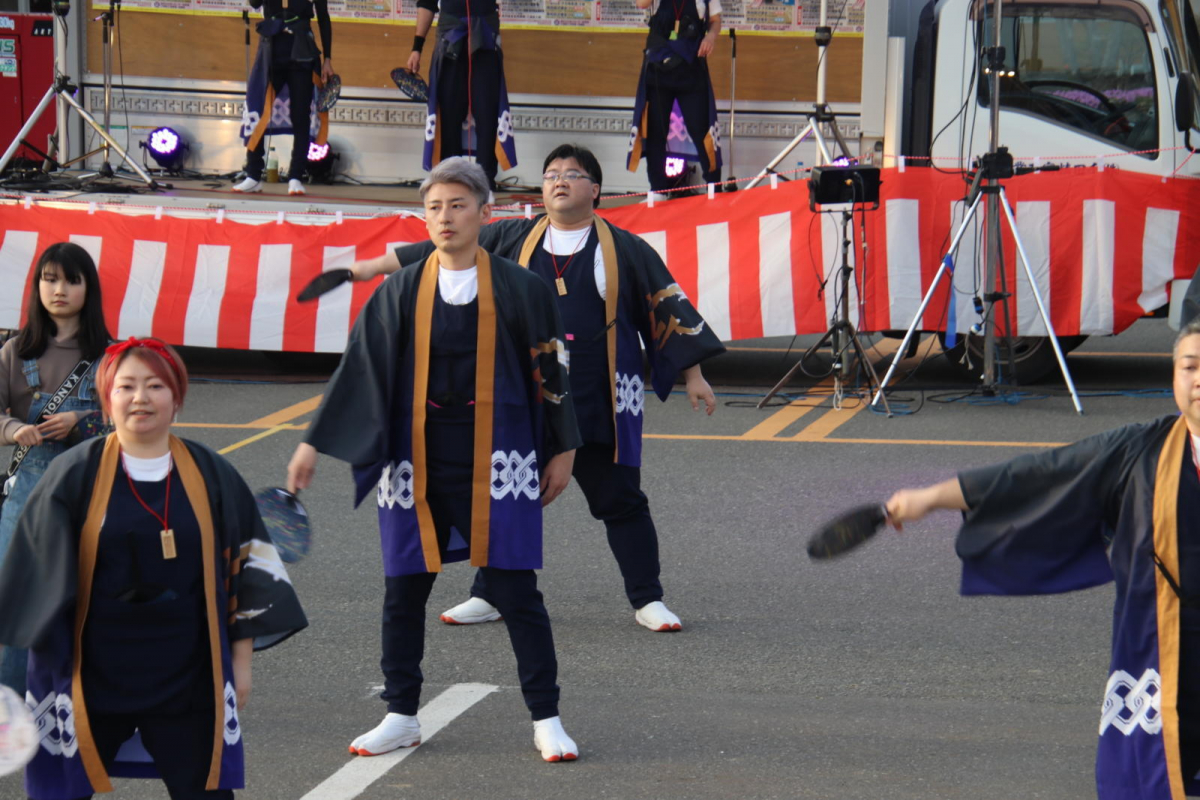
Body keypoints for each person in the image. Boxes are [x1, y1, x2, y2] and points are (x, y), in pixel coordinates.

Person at [349, 143, 726, 632]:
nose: (560, 180)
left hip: (600, 397)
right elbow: (435, 250)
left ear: (595, 189)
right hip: (525, 397)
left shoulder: (627, 249)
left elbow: (666, 307)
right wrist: (366, 269)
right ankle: (490, 594)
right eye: (551, 174)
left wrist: (693, 376)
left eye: (573, 173)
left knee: (620, 499)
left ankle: (647, 598)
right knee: (503, 497)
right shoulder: (512, 236)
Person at [286, 157, 582, 761]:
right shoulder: (399, 289)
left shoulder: (521, 286)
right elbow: (358, 370)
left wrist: (565, 449)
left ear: (484, 212)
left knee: (515, 589)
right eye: (433, 208)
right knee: (403, 593)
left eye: (456, 205)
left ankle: (546, 715)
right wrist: (312, 442)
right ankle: (401, 714)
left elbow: (553, 372)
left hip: (499, 455)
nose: (444, 218)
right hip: (414, 457)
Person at [884, 319, 1200, 800]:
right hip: (1165, 658)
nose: (1198, 379)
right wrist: (931, 498)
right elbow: (1039, 476)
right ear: (1172, 376)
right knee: (1155, 778)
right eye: (1189, 366)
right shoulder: (1140, 453)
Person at [0, 338, 307, 800]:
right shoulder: (72, 474)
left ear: (177, 398)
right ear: (107, 400)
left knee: (204, 790)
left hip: (187, 671)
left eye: (155, 386)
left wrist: (240, 666)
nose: (140, 398)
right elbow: (28, 578)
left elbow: (249, 571)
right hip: (91, 669)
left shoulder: (211, 473)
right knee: (61, 792)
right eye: (126, 386)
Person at [0, 242, 111, 698]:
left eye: (70, 279)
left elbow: (138, 421)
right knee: (14, 598)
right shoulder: (14, 350)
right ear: (36, 286)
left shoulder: (112, 355)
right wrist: (12, 428)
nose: (58, 289)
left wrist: (83, 421)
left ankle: (81, 698)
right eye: (49, 279)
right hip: (28, 491)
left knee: (89, 598)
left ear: (90, 288)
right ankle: (9, 702)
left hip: (94, 491)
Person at [405, 0, 517, 190]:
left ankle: (485, 184)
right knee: (448, 113)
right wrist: (417, 47)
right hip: (449, 40)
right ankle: (450, 180)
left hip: (485, 40)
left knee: (487, 113)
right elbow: (427, 4)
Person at [234, 0, 334, 196]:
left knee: (300, 114)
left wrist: (328, 58)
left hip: (302, 50)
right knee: (258, 108)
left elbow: (323, 16)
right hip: (272, 47)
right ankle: (253, 174)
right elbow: (255, 3)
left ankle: (296, 175)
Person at [626, 0, 722, 198]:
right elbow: (642, 4)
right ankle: (658, 191)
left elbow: (715, 20)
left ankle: (714, 189)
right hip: (658, 70)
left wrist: (711, 37)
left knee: (703, 130)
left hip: (691, 69)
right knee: (655, 132)